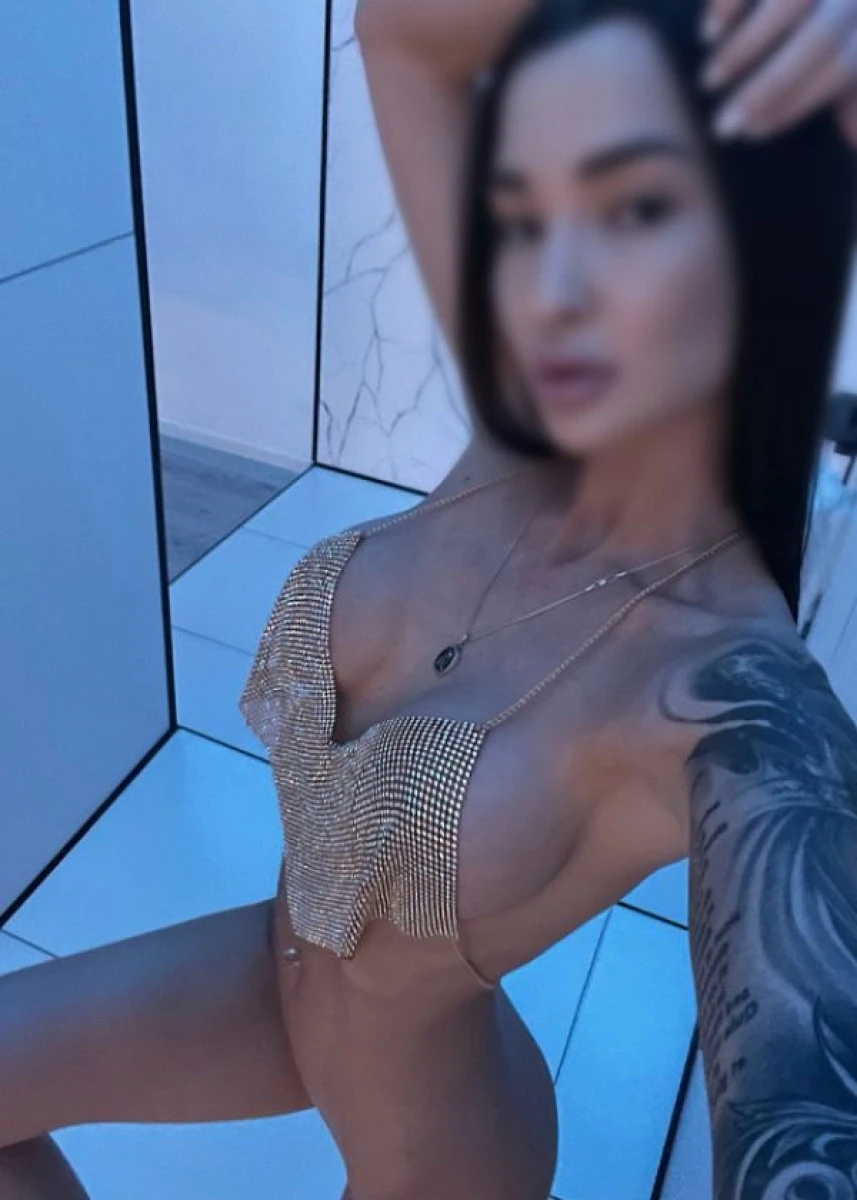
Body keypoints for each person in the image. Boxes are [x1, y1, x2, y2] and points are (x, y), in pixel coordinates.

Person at [1, 1, 857, 1198]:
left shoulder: (728, 691)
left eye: (632, 209)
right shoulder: (524, 421)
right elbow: (399, 26)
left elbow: (809, 1109)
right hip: (274, 976)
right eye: (522, 209)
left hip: (439, 1152)